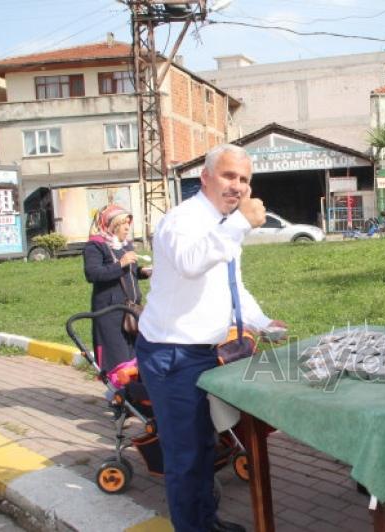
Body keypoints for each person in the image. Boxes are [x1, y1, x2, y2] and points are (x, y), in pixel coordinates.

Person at [136, 144, 285, 532]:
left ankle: (205, 523)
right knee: (185, 458)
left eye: (245, 180)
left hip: (210, 352)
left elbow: (230, 283)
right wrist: (241, 224)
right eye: (229, 176)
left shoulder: (224, 221)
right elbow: (190, 263)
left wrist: (262, 321)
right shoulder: (183, 220)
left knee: (205, 449)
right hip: (173, 355)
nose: (237, 186)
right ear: (204, 177)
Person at [83, 204, 149, 373]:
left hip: (131, 309)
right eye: (123, 224)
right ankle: (118, 395)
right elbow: (93, 274)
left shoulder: (125, 245)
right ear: (111, 225)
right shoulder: (96, 246)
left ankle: (132, 395)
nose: (128, 227)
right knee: (117, 358)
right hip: (110, 312)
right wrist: (121, 264)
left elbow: (128, 272)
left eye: (128, 223)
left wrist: (142, 272)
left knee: (135, 356)